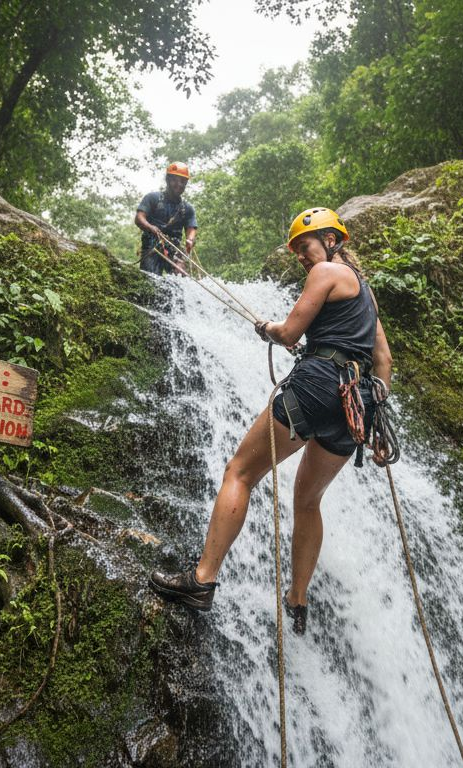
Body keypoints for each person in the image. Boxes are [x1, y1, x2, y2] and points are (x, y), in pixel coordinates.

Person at [150, 207, 393, 635]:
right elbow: (383, 360)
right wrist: (375, 411)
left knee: (240, 473)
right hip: (355, 406)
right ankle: (297, 601)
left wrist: (269, 328)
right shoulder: (367, 294)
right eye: (298, 250)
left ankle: (201, 579)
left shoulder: (326, 272)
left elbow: (290, 334)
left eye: (306, 246)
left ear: (331, 241)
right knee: (308, 498)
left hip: (318, 386)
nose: (302, 255)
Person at [135, 161, 198, 275]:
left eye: (182, 181)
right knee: (151, 279)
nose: (179, 184)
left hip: (174, 249)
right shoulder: (153, 198)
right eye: (175, 180)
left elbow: (191, 228)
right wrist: (150, 227)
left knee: (181, 276)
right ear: (167, 179)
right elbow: (139, 218)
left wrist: (190, 240)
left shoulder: (187, 209)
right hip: (152, 247)